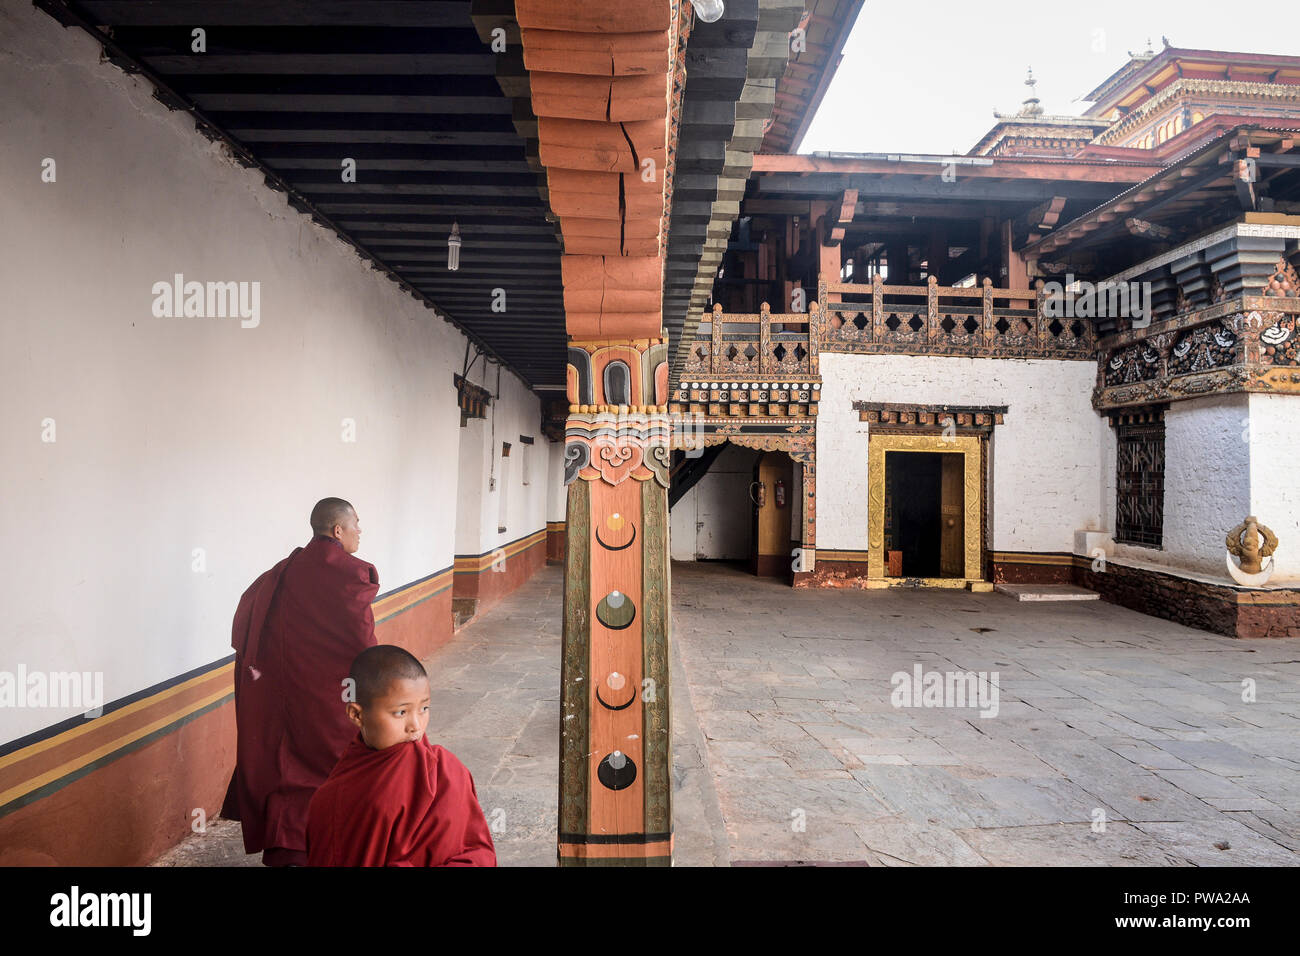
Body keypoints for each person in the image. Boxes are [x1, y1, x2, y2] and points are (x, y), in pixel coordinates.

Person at [222, 497, 379, 866]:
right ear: (337, 530)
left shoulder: (280, 571)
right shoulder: (350, 573)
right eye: (357, 523)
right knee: (334, 768)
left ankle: (286, 852)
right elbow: (362, 642)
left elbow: (247, 624)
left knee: (285, 769)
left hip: (278, 698)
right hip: (328, 699)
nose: (361, 531)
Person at [306, 645, 497, 867]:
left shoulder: (445, 770)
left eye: (424, 708)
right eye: (401, 712)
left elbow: (475, 849)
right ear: (357, 714)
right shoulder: (334, 793)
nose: (416, 726)